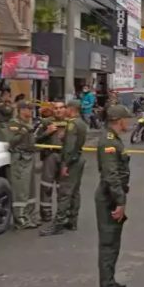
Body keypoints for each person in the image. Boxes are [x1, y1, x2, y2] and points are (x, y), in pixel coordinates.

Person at [95, 104, 131, 287]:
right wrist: (120, 201)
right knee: (108, 246)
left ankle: (110, 283)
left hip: (113, 194)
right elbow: (110, 175)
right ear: (119, 120)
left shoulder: (113, 139)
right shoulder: (108, 142)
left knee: (113, 244)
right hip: (109, 198)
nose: (128, 122)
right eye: (126, 119)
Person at [40, 100, 88, 236]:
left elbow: (70, 148)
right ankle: (72, 221)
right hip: (78, 160)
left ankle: (58, 224)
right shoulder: (81, 123)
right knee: (74, 192)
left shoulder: (73, 124)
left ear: (71, 109)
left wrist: (66, 165)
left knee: (64, 193)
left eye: (65, 107)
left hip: (71, 161)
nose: (63, 110)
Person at [35, 99, 67, 222]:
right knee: (46, 186)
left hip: (64, 157)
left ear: (65, 109)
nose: (58, 110)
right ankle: (45, 214)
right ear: (52, 110)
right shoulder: (45, 122)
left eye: (61, 108)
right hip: (50, 156)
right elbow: (35, 140)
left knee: (63, 187)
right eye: (56, 108)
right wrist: (47, 133)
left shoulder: (71, 123)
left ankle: (61, 214)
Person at [9, 102, 39, 229]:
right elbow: (11, 141)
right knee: (21, 188)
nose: (31, 111)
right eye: (28, 109)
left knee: (31, 188)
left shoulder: (29, 123)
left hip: (30, 157)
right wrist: (23, 132)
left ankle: (30, 215)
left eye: (32, 109)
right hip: (20, 158)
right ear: (21, 110)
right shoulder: (14, 124)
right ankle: (20, 219)